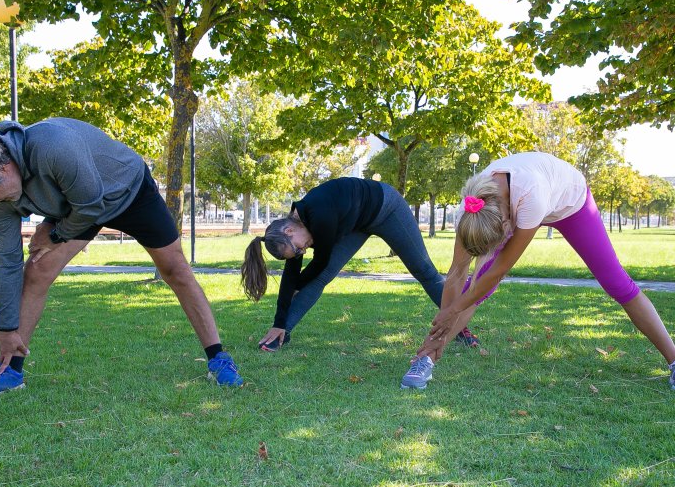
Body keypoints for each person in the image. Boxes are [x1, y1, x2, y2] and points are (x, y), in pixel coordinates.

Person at [0, 117, 243, 396]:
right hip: (78, 205)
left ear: (3, 169)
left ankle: (218, 358)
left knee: (175, 269)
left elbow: (92, 206)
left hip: (126, 191)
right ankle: (9, 371)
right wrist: (6, 329)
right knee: (37, 270)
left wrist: (54, 233)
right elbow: (6, 261)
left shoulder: (54, 147)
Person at [412, 151, 675, 390]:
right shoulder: (470, 212)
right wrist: (443, 321)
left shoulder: (531, 197)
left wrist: (453, 310)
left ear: (507, 222)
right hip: (513, 203)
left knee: (616, 282)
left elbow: (496, 272)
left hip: (571, 204)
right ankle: (427, 359)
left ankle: (674, 360)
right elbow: (457, 273)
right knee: (472, 286)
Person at [240, 176, 480, 389]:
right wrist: (279, 321)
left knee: (424, 270)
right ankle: (283, 333)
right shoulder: (299, 229)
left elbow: (319, 263)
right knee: (321, 277)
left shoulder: (319, 217)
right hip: (358, 222)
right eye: (299, 253)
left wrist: (298, 285)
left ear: (290, 232)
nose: (303, 251)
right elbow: (291, 275)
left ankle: (457, 323)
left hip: (386, 207)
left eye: (299, 248)